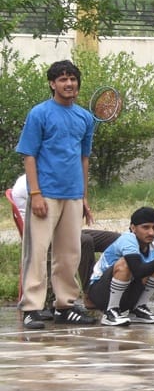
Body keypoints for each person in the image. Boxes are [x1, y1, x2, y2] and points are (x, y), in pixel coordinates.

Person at [16, 60, 98, 329]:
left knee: (69, 254)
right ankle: (31, 308)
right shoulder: (39, 113)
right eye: (62, 79)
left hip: (73, 195)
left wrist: (84, 196)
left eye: (72, 79)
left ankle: (65, 306)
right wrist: (35, 193)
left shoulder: (85, 117)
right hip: (45, 193)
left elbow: (84, 158)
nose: (68, 83)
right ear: (52, 84)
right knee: (37, 253)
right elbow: (29, 155)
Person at [9, 174, 119, 302]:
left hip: (62, 230)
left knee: (118, 240)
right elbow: (54, 217)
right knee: (84, 241)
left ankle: (117, 288)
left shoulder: (51, 178)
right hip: (43, 235)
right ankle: (90, 294)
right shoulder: (31, 183)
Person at [86, 207, 154, 326]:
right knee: (126, 263)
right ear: (133, 228)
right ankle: (110, 312)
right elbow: (138, 271)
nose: (151, 232)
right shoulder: (127, 240)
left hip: (128, 294)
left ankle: (138, 308)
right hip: (100, 294)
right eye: (145, 227)